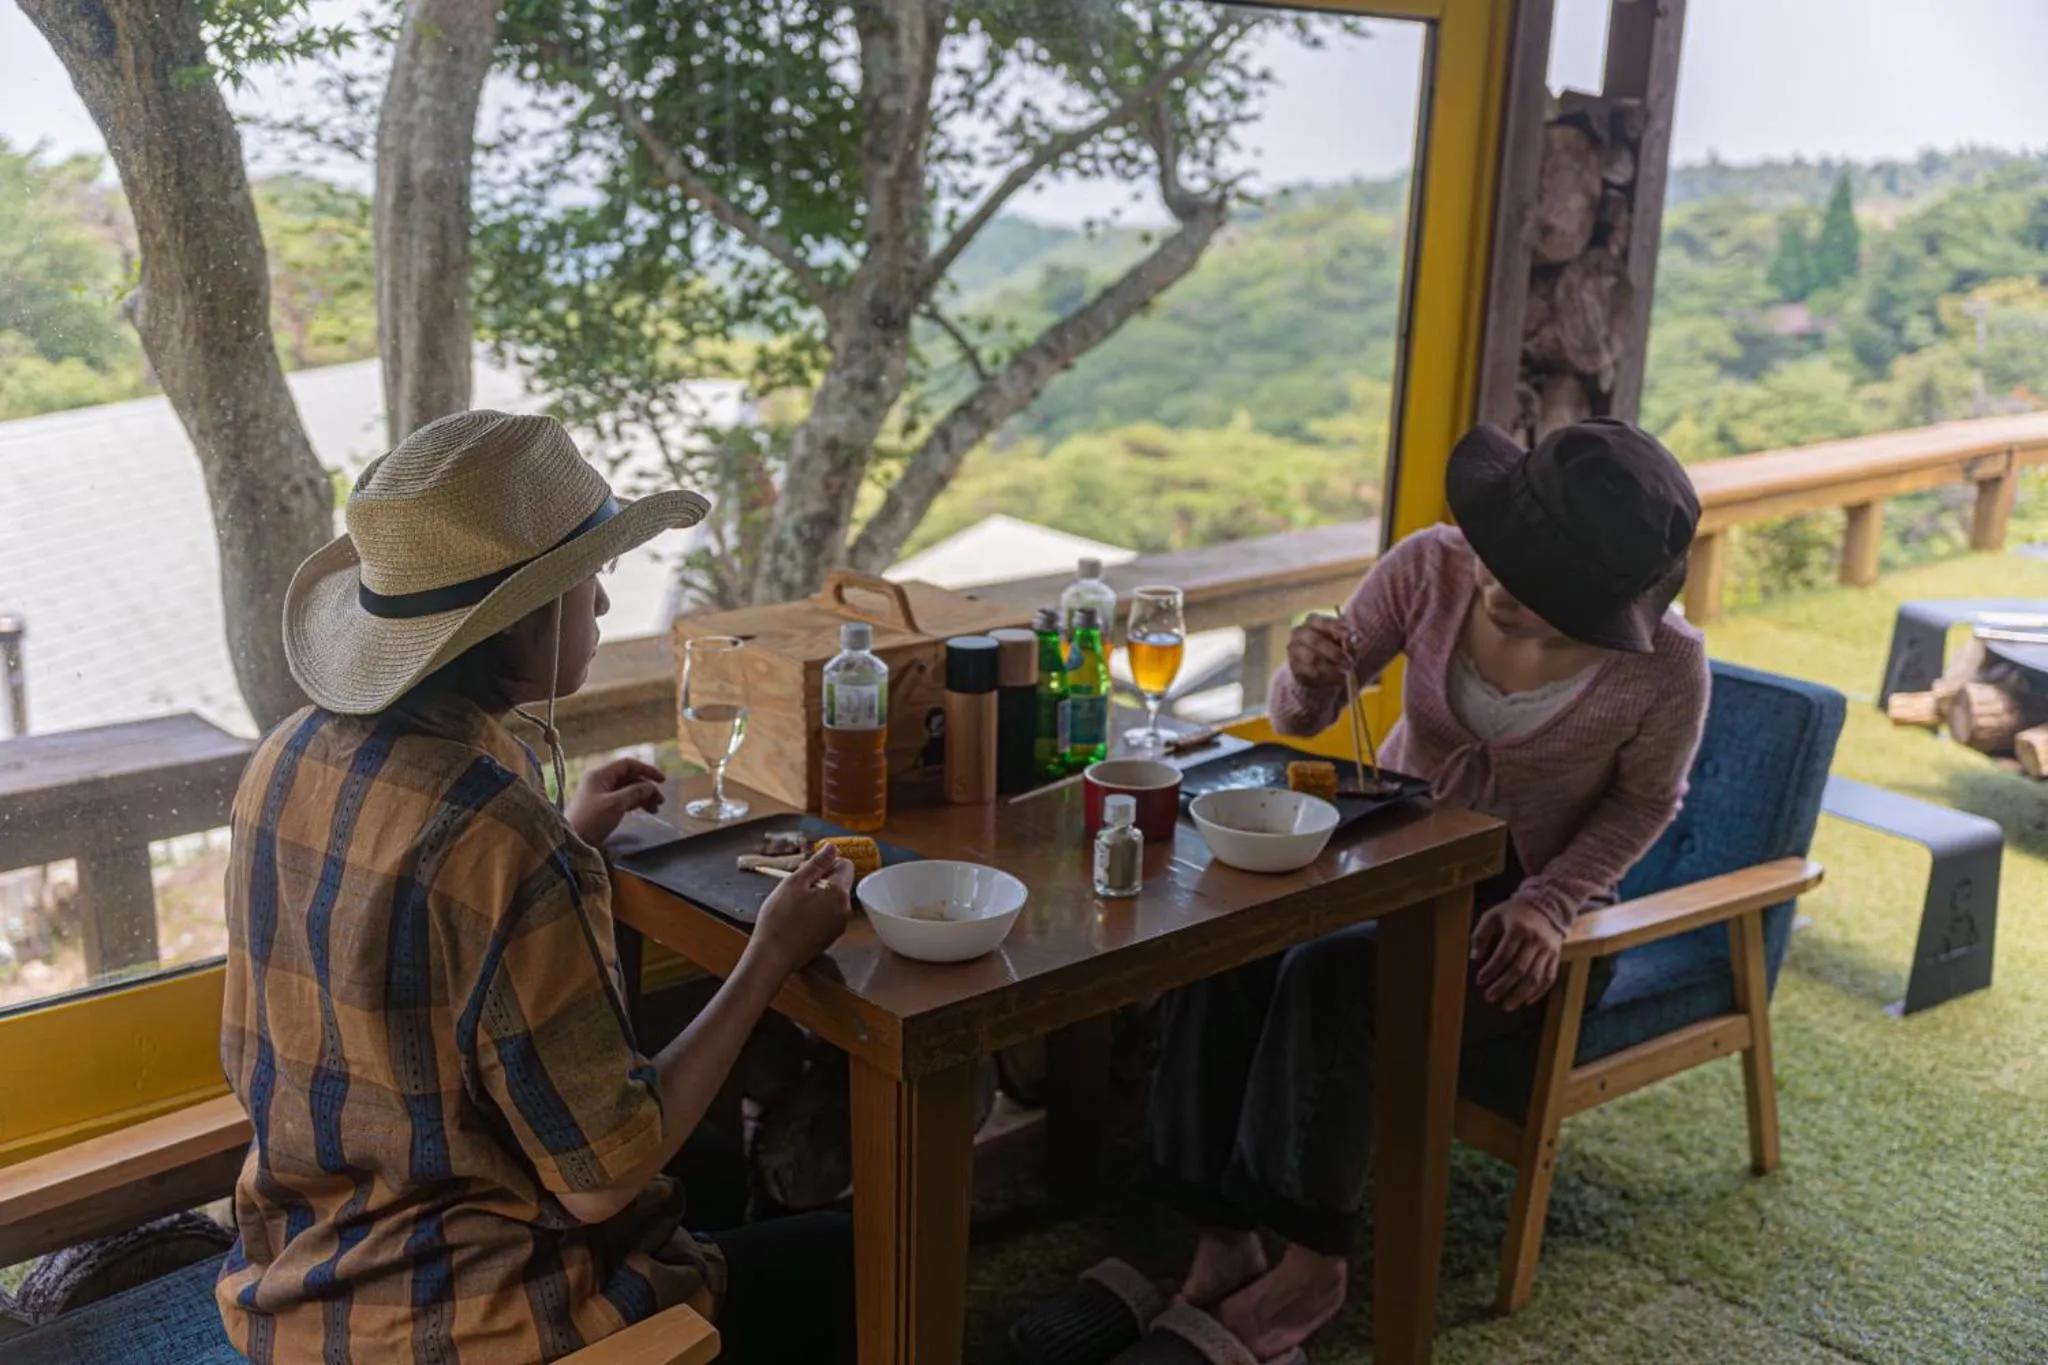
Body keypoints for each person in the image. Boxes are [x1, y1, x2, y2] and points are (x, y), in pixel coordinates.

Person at [216, 411, 857, 1363]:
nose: (599, 604)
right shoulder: (500, 834)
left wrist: (565, 835)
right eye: (584, 578)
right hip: (468, 1321)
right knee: (857, 1251)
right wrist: (771, 951)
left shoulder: (288, 754)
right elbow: (605, 1179)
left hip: (302, 1276)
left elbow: (406, 929)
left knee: (716, 1168)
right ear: (527, 612)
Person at [1111, 420, 1710, 1364]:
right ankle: (1222, 1241)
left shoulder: (1667, 666)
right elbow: (1308, 711)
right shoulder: (1431, 566)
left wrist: (1551, 903)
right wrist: (1307, 676)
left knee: (1333, 975)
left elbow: (1645, 803)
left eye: (1540, 594)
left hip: (1517, 926)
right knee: (1227, 940)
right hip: (1380, 862)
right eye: (1499, 563)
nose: (1499, 591)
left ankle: (1314, 1266)